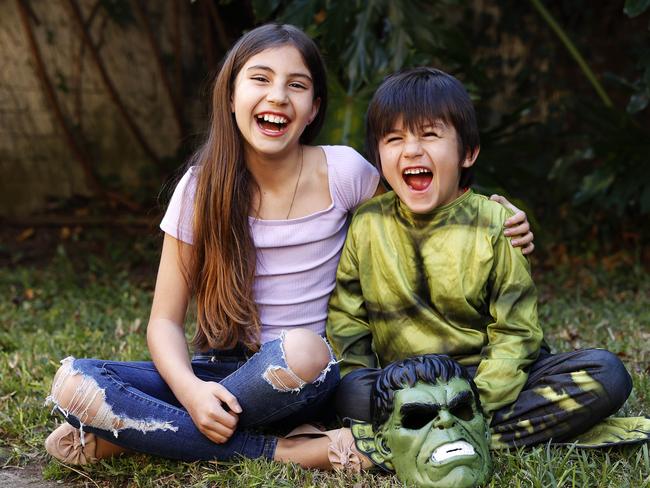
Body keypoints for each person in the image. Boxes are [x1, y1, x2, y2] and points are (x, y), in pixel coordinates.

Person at [43, 26, 533, 469]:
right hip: (226, 373)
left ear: (314, 107)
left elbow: (417, 211)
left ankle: (137, 432)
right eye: (260, 79)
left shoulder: (342, 172)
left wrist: (493, 215)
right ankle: (284, 449)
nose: (277, 96)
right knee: (76, 382)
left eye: (296, 85)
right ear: (231, 95)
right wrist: (192, 393)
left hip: (314, 374)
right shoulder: (200, 188)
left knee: (300, 349)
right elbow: (164, 322)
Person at [327, 67, 632, 449]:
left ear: (468, 152)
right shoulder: (368, 223)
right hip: (408, 383)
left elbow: (516, 331)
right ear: (379, 156)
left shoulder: (497, 223)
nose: (411, 150)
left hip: (487, 375)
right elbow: (348, 322)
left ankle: (426, 436)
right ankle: (494, 433)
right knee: (351, 392)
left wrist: (477, 399)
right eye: (394, 138)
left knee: (608, 374)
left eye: (429, 134)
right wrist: (369, 386)